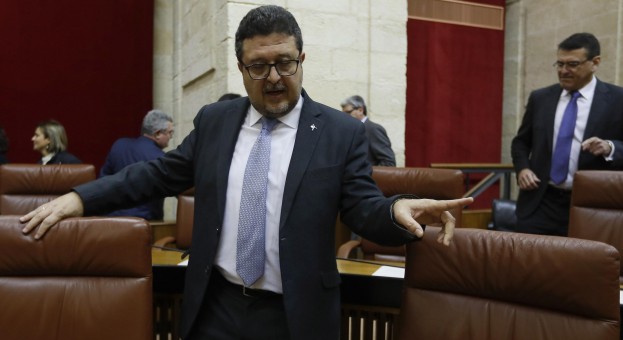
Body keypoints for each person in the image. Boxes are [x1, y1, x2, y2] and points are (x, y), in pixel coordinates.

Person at [20, 5, 472, 340]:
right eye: (258, 66)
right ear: (241, 68)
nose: (274, 77)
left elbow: (362, 207)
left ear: (301, 60)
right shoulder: (216, 122)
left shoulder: (339, 133)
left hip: (295, 318)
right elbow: (156, 175)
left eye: (285, 63)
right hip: (214, 308)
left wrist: (396, 211)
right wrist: (79, 198)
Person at [511, 32, 623, 236]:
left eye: (572, 64)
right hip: (540, 203)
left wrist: (610, 147)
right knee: (531, 264)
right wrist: (523, 168)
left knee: (581, 266)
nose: (563, 71)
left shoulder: (620, 100)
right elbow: (521, 143)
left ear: (595, 62)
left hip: (594, 205)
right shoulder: (541, 98)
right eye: (559, 64)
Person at [99, 110, 174, 220]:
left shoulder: (119, 145)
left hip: (111, 221)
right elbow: (179, 188)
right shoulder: (162, 159)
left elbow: (102, 181)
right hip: (146, 224)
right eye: (169, 132)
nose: (171, 137)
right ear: (158, 134)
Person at [341, 95, 396, 166]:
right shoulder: (351, 130)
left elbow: (389, 163)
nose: (344, 116)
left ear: (360, 110)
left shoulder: (373, 129)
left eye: (348, 112)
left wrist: (365, 174)